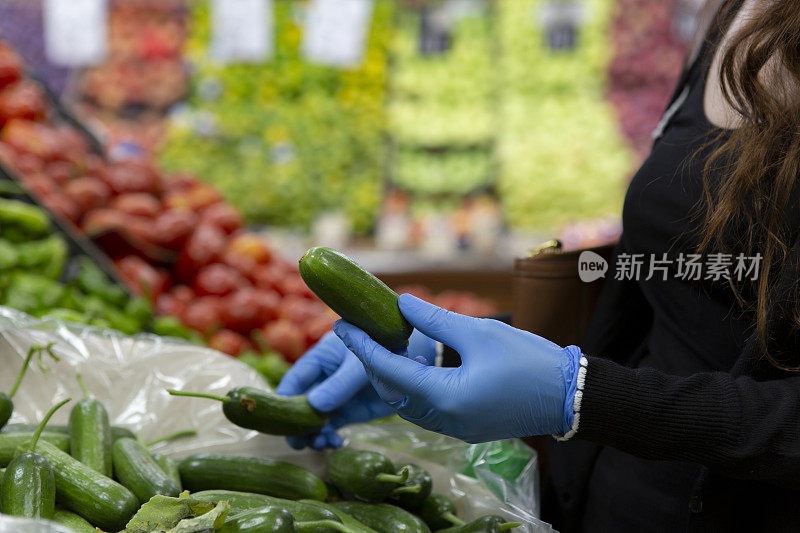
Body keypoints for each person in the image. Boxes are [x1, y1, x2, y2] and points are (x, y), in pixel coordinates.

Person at [277, 0, 800, 530]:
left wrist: (578, 397)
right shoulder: (732, 10)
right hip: (607, 497)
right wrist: (447, 352)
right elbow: (678, 288)